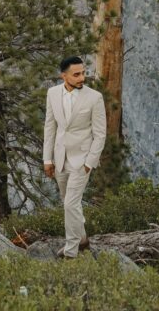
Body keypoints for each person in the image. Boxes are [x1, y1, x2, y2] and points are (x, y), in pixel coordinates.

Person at [43, 55, 106, 258]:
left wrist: (90, 162)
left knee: (71, 204)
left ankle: (71, 251)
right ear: (64, 76)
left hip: (82, 160)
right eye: (76, 74)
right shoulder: (52, 94)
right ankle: (83, 239)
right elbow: (50, 127)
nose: (82, 78)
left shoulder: (94, 98)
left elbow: (100, 134)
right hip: (60, 158)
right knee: (69, 202)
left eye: (83, 73)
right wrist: (47, 159)